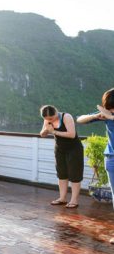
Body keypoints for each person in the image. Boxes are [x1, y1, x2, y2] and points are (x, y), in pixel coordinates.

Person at [77, 88, 114, 244]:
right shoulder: (106, 115)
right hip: (111, 158)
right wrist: (97, 115)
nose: (111, 110)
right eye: (109, 108)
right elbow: (80, 119)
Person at [40, 105, 84, 208]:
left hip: (74, 149)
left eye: (51, 118)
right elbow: (42, 134)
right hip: (59, 149)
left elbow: (72, 134)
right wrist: (46, 130)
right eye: (46, 119)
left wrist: (53, 131)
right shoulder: (47, 119)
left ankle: (74, 200)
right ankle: (62, 198)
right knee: (62, 174)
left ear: (56, 112)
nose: (49, 120)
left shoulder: (66, 117)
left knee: (74, 174)